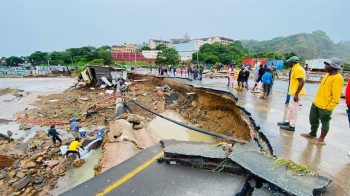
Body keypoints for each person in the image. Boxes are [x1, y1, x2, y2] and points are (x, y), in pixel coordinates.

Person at [301, 58, 344, 145]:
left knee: (325, 122)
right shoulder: (326, 75)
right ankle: (313, 133)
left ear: (333, 67)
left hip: (325, 106)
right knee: (313, 119)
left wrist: (329, 108)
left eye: (327, 65)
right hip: (317, 102)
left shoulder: (338, 78)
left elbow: (336, 97)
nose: (325, 66)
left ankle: (321, 139)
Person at [278, 56, 306, 131]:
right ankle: (287, 122)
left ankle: (292, 125)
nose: (288, 63)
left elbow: (301, 81)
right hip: (293, 92)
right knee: (291, 108)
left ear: (293, 62)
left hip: (296, 93)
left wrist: (296, 94)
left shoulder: (298, 69)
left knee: (295, 109)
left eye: (289, 62)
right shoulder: (294, 69)